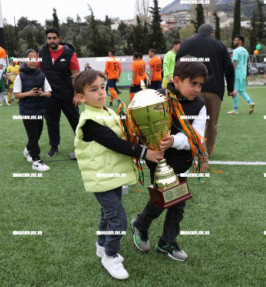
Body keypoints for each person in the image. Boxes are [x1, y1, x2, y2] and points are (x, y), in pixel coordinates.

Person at [73, 70, 164, 280]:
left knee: (108, 215)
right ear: (81, 97)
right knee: (118, 220)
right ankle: (110, 256)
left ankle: (102, 246)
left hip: (111, 176)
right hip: (101, 178)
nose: (101, 93)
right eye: (93, 90)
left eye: (102, 88)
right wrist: (144, 153)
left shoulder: (108, 112)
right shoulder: (89, 120)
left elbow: (124, 134)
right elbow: (114, 143)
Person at [131, 56, 208, 262]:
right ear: (176, 81)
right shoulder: (157, 97)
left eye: (200, 84)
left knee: (178, 202)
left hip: (182, 160)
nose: (197, 89)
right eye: (193, 83)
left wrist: (174, 140)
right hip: (159, 161)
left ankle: (167, 240)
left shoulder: (200, 105)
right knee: (162, 199)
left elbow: (197, 137)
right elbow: (139, 123)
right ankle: (141, 224)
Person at [176, 23, 236, 160]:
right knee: (211, 124)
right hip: (214, 91)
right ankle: (205, 154)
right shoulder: (219, 45)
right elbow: (229, 68)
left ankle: (188, 149)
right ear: (213, 34)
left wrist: (178, 88)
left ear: (197, 32)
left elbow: (177, 65)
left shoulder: (186, 44)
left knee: (189, 121)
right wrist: (231, 89)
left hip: (192, 91)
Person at [39, 27, 80, 157]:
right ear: (46, 39)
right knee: (51, 121)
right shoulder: (42, 53)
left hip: (67, 93)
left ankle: (84, 144)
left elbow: (76, 76)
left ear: (59, 39)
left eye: (54, 38)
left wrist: (76, 95)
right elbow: (40, 73)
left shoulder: (70, 54)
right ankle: (54, 147)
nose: (52, 41)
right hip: (50, 94)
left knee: (75, 120)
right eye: (49, 38)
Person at [13, 49, 52, 171]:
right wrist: (29, 93)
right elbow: (16, 95)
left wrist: (43, 94)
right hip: (27, 111)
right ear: (25, 60)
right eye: (30, 58)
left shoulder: (41, 75)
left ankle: (28, 150)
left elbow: (49, 92)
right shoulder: (20, 76)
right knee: (33, 134)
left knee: (38, 132)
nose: (33, 61)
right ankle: (36, 161)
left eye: (35, 58)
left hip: (39, 109)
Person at [227, 35, 255, 114]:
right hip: (243, 73)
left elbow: (234, 63)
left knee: (234, 91)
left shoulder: (236, 51)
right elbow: (246, 63)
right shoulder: (245, 51)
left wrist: (231, 74)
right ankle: (250, 103)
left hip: (237, 73)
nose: (234, 41)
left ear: (240, 41)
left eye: (236, 40)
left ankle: (235, 110)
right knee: (242, 90)